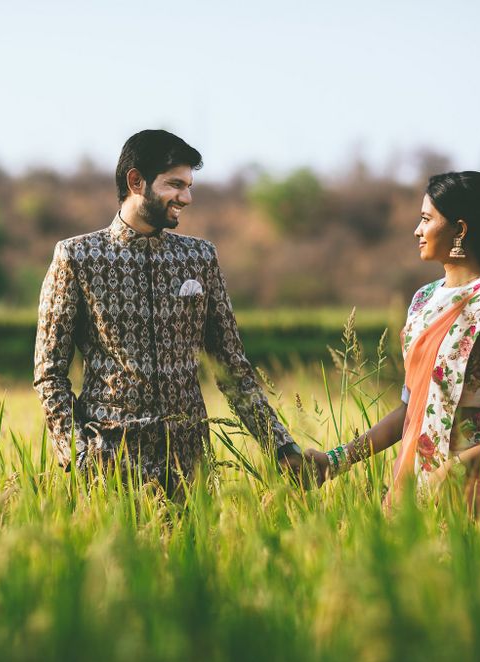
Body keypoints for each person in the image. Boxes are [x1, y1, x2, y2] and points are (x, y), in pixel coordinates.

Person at [34, 129, 304, 495]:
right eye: (175, 184)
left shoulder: (200, 258)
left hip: (189, 467)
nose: (187, 197)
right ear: (136, 181)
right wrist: (78, 453)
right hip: (109, 467)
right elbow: (49, 372)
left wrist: (281, 447)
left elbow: (232, 368)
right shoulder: (78, 258)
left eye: (189, 185)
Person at [305, 171, 480, 508]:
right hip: (416, 479)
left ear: (460, 229)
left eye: (426, 219)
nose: (417, 230)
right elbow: (411, 408)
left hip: (471, 484)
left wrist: (458, 468)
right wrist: (335, 462)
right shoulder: (424, 300)